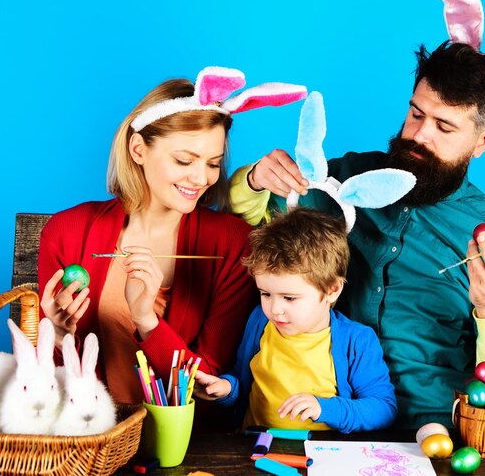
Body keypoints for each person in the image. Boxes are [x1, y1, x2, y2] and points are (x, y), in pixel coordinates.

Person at [229, 42, 485, 428]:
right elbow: (250, 221)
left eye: (444, 127)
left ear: (482, 141)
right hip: (330, 425)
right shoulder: (342, 180)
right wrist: (254, 180)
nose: (419, 135)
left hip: (432, 438)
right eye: (416, 114)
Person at [37, 67, 306, 423]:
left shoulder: (231, 242)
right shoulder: (67, 231)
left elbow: (209, 383)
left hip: (188, 445)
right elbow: (43, 382)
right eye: (184, 160)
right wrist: (56, 334)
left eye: (212, 163)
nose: (201, 179)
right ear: (138, 149)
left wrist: (147, 320)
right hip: (90, 437)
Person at [193, 207, 397, 434]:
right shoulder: (260, 321)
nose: (274, 309)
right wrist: (226, 388)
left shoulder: (357, 341)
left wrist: (324, 408)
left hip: (321, 456)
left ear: (332, 290)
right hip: (253, 449)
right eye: (265, 293)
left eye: (289, 298)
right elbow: (243, 379)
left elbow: (383, 408)